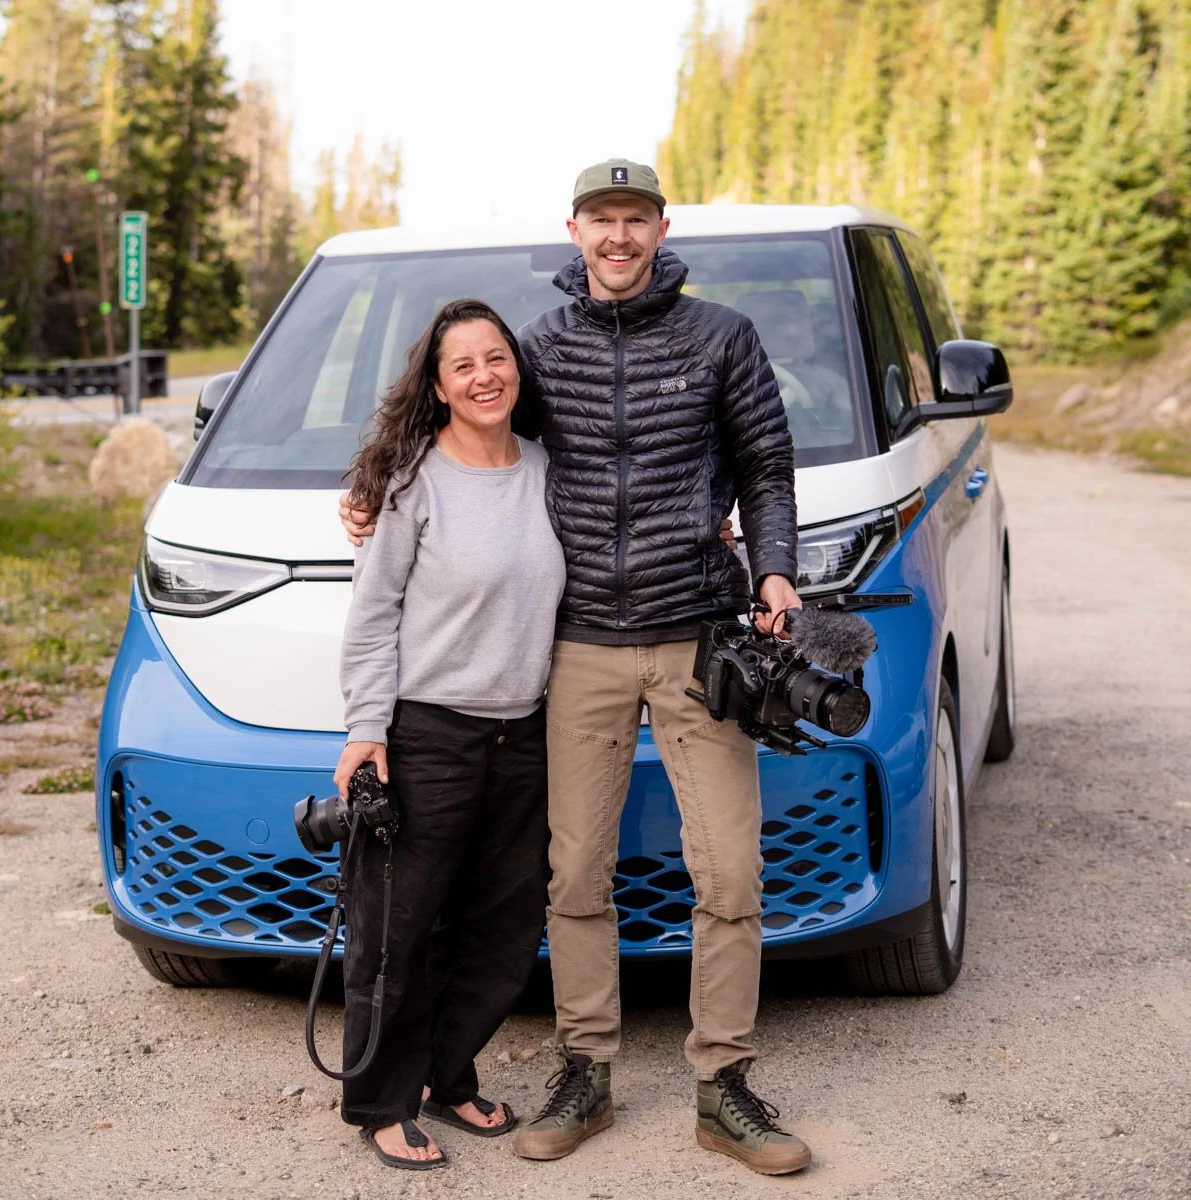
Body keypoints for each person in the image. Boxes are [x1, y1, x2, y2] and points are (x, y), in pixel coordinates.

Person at [342, 159, 811, 1177]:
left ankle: (724, 1085)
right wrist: (373, 494)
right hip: (581, 646)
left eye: (635, 219)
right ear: (575, 230)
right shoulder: (539, 348)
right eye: (602, 219)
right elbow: (475, 437)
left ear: (660, 228)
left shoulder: (724, 337)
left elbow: (768, 465)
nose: (619, 236)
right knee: (572, 878)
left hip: (701, 640)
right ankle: (584, 1071)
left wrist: (773, 569)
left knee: (730, 870)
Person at [334, 298, 565, 1170]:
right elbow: (373, 613)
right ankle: (382, 1101)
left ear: (517, 366)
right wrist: (366, 728)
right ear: (436, 386)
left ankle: (446, 1073)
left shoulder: (549, 468)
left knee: (502, 929)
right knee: (398, 928)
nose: (484, 376)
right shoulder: (410, 483)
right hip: (428, 733)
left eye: (496, 357)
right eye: (462, 364)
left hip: (525, 734)